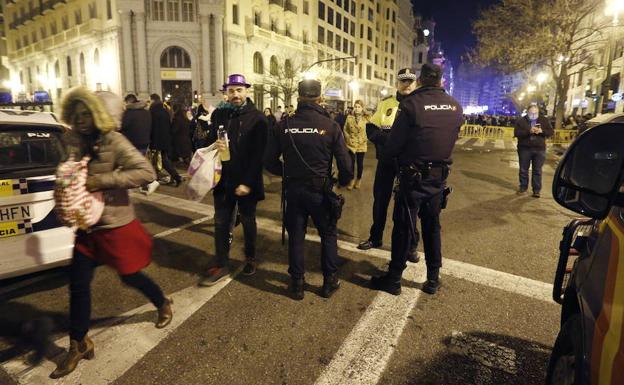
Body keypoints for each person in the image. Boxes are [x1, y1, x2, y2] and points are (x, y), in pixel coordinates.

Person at [50, 87, 173, 379]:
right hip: (87, 227)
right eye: (76, 114)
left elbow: (146, 172)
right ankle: (79, 343)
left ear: (99, 115)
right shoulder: (73, 141)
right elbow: (69, 172)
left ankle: (162, 302)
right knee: (78, 285)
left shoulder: (114, 141)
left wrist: (102, 180)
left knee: (131, 276)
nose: (80, 119)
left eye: (86, 113)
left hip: (116, 226)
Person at [370, 64, 463, 296]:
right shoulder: (455, 106)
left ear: (420, 81)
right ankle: (433, 278)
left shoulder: (411, 105)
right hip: (438, 179)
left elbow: (392, 147)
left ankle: (394, 279)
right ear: (441, 82)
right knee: (432, 227)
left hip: (412, 178)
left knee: (402, 227)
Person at [264, 79, 353, 300]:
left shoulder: (284, 125)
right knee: (328, 234)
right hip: (321, 190)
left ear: (298, 97)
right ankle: (329, 282)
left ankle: (297, 284)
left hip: (293, 190)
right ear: (320, 98)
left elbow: (268, 161)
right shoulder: (331, 125)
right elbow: (345, 164)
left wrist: (286, 171)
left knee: (296, 236)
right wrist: (342, 181)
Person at [199, 74, 269, 285]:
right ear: (226, 93)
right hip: (223, 180)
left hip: (246, 182)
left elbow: (259, 156)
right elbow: (210, 140)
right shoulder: (220, 114)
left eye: (239, 90)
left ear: (246, 91)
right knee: (221, 222)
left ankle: (250, 257)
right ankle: (222, 264)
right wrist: (212, 145)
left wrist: (247, 182)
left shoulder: (258, 118)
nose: (235, 94)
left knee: (248, 221)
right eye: (231, 90)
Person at [357, 68, 420, 263]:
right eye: (403, 81)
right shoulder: (386, 105)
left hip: (408, 164)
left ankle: (411, 246)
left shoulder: (419, 105)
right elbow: (371, 128)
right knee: (380, 201)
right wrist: (389, 140)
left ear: (415, 83)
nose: (407, 84)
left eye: (410, 81)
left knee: (410, 205)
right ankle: (375, 237)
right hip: (386, 162)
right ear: (397, 84)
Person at [120, 94, 159, 195]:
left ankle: (149, 182)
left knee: (132, 165)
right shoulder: (146, 112)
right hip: (144, 142)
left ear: (129, 102)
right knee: (139, 163)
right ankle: (144, 184)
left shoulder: (128, 113)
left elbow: (121, 127)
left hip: (132, 143)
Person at [513, 104, 553, 198]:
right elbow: (516, 133)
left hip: (539, 149)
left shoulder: (544, 120)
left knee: (537, 170)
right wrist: (529, 131)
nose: (534, 114)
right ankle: (523, 187)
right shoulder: (521, 121)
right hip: (525, 148)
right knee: (523, 169)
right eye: (532, 113)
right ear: (528, 112)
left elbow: (551, 132)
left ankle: (536, 190)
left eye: (536, 113)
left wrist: (542, 131)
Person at [149, 93, 182, 186]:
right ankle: (171, 177)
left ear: (152, 100)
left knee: (162, 161)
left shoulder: (153, 111)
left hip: (157, 141)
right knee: (163, 160)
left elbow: (152, 128)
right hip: (165, 140)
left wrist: (152, 142)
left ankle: (176, 177)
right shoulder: (164, 110)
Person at [343, 100, 368, 190]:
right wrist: (348, 138)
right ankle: (351, 180)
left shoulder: (366, 118)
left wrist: (365, 138)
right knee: (351, 164)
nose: (357, 109)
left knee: (360, 164)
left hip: (362, 144)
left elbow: (370, 130)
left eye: (359, 107)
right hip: (351, 144)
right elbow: (345, 129)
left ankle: (359, 179)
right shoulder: (349, 117)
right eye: (355, 107)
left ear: (362, 108)